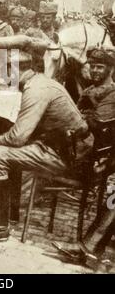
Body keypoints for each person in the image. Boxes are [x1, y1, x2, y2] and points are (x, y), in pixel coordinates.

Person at [0, 35, 89, 243]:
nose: (2, 77)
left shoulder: (36, 90)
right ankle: (8, 215)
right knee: (7, 152)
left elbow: (18, 137)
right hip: (67, 149)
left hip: (68, 158)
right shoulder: (42, 83)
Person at [52, 46, 115, 271]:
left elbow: (97, 124)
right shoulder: (92, 89)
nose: (96, 71)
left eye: (101, 66)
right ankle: (91, 246)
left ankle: (88, 248)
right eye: (93, 66)